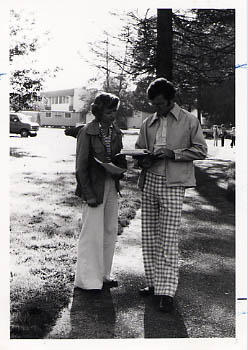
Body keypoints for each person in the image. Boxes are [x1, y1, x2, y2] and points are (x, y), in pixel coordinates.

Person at [135, 78, 208, 312]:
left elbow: (201, 150)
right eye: (154, 104)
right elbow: (139, 150)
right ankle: (154, 284)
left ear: (170, 100)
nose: (157, 108)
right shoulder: (149, 122)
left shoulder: (189, 120)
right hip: (151, 181)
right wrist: (143, 158)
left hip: (174, 183)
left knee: (168, 239)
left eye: (160, 104)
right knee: (149, 236)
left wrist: (173, 153)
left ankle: (167, 291)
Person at [74, 92, 127, 292]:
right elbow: (80, 166)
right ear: (98, 111)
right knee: (91, 233)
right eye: (108, 111)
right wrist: (88, 194)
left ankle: (104, 275)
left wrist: (121, 167)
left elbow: (119, 158)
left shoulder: (116, 132)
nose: (112, 115)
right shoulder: (87, 131)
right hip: (93, 188)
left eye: (114, 111)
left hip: (111, 186)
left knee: (109, 231)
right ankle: (87, 281)